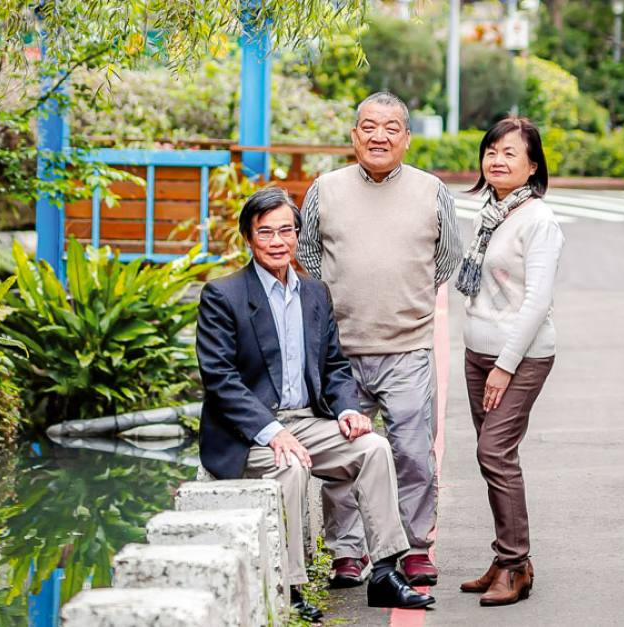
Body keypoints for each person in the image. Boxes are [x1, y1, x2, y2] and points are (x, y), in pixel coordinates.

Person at [196, 187, 436, 621]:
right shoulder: (223, 295)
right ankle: (291, 587)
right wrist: (274, 433)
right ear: (248, 238)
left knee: (374, 448)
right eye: (265, 232)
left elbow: (334, 365)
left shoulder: (314, 293)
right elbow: (221, 380)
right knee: (291, 465)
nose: (277, 242)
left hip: (307, 422)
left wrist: (347, 409)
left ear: (297, 234)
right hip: (249, 433)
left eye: (286, 231)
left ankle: (383, 571)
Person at [297, 91, 462, 588]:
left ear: (407, 138)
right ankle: (347, 553)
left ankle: (414, 547)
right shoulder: (324, 188)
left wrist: (403, 293)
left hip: (407, 347)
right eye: (369, 126)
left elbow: (447, 259)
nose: (379, 136)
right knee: (345, 453)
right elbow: (308, 254)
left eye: (392, 127)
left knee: (411, 452)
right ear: (354, 135)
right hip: (340, 352)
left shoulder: (431, 190)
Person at [455, 117, 564, 606]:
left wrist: (505, 365)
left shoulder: (539, 221)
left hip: (519, 356)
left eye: (510, 153)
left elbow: (537, 301)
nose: (497, 160)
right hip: (478, 352)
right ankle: (507, 560)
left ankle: (515, 563)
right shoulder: (492, 211)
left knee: (494, 453)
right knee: (493, 456)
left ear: (533, 165)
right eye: (491, 151)